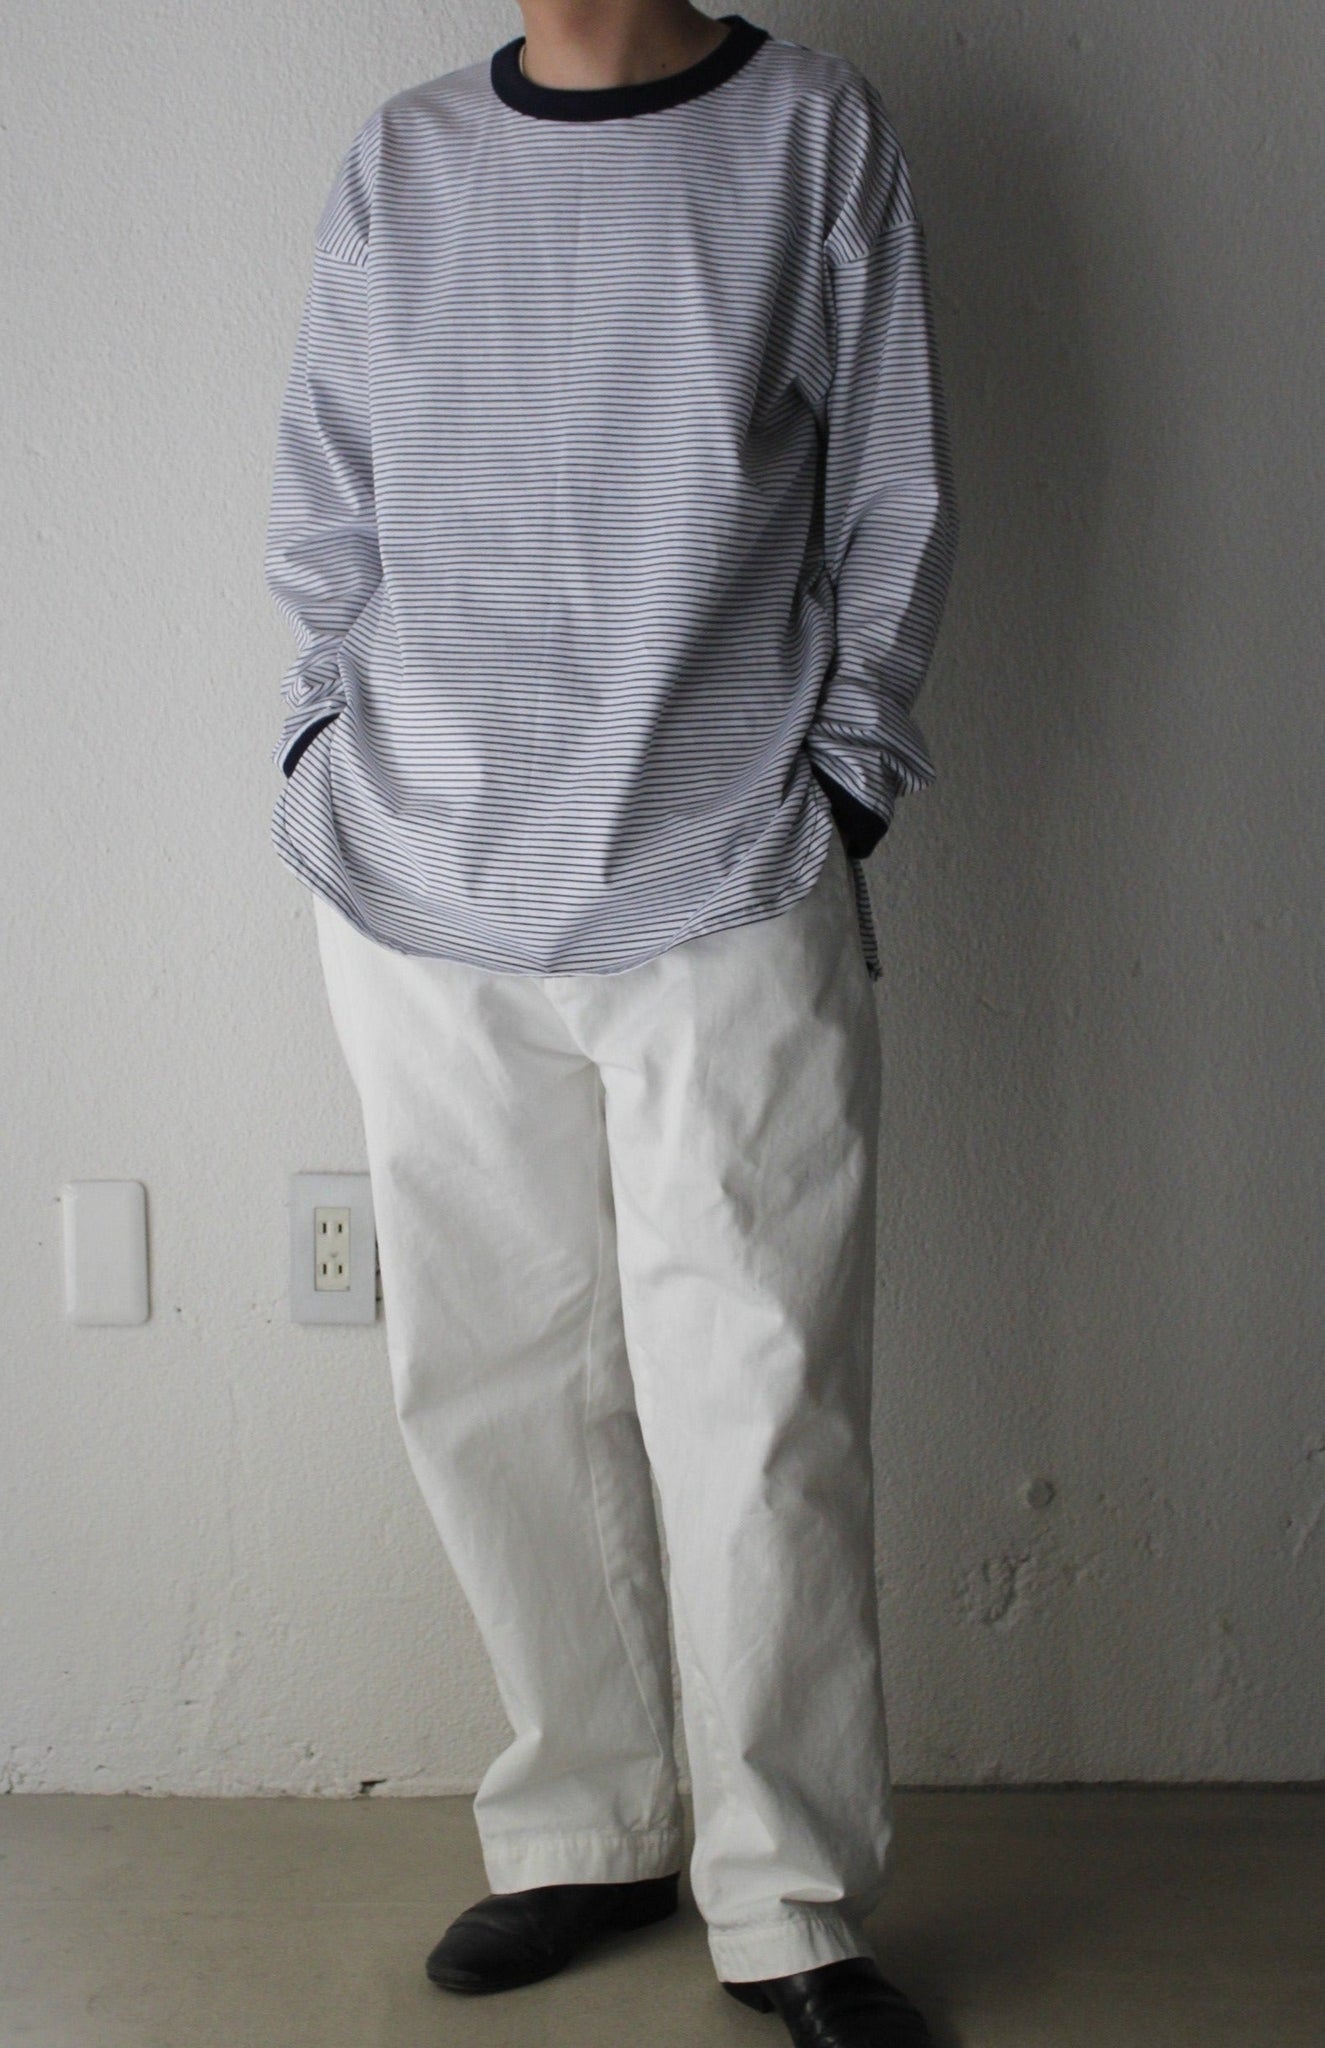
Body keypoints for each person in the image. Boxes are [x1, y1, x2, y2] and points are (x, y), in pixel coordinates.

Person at [263, 4, 958, 2041]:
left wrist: (847, 776)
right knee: (486, 1377)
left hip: (722, 871)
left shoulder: (811, 132)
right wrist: (319, 744)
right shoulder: (401, 160)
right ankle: (584, 1824)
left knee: (761, 1399)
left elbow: (892, 481)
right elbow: (326, 489)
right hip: (420, 880)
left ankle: (790, 1899)